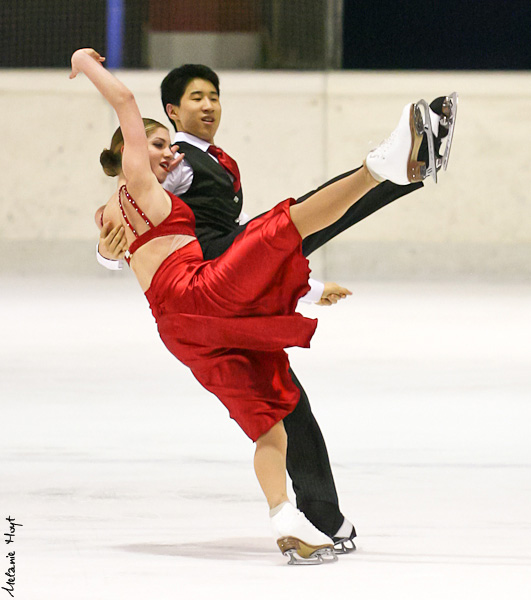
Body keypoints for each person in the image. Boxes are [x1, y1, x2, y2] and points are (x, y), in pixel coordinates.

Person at [70, 47, 451, 564]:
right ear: (171, 115)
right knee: (291, 221)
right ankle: (392, 166)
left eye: (213, 96)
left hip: (189, 323)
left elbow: (123, 238)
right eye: (193, 101)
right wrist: (85, 63)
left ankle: (298, 516)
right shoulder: (161, 167)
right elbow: (127, 133)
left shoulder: (192, 165)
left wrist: (306, 287)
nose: (169, 153)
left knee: (279, 409)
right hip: (206, 287)